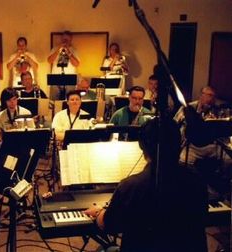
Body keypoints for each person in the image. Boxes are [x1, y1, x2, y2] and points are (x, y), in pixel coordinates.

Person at [84, 117, 208, 252]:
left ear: (143, 147)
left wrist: (99, 212)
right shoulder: (196, 178)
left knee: (103, 249)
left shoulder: (132, 185)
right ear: (179, 143)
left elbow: (109, 225)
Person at [174, 86, 219, 166]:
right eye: (209, 95)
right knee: (183, 161)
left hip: (210, 146)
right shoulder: (187, 109)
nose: (211, 99)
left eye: (213, 96)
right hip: (191, 145)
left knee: (227, 160)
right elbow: (174, 124)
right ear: (201, 95)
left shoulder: (216, 111)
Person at [47, 31, 80, 100]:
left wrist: (69, 53)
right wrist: (58, 50)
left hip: (70, 77)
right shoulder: (55, 49)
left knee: (70, 98)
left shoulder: (74, 50)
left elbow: (77, 64)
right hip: (56, 77)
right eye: (64, 39)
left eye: (67, 40)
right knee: (54, 100)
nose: (65, 41)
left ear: (71, 40)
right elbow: (49, 61)